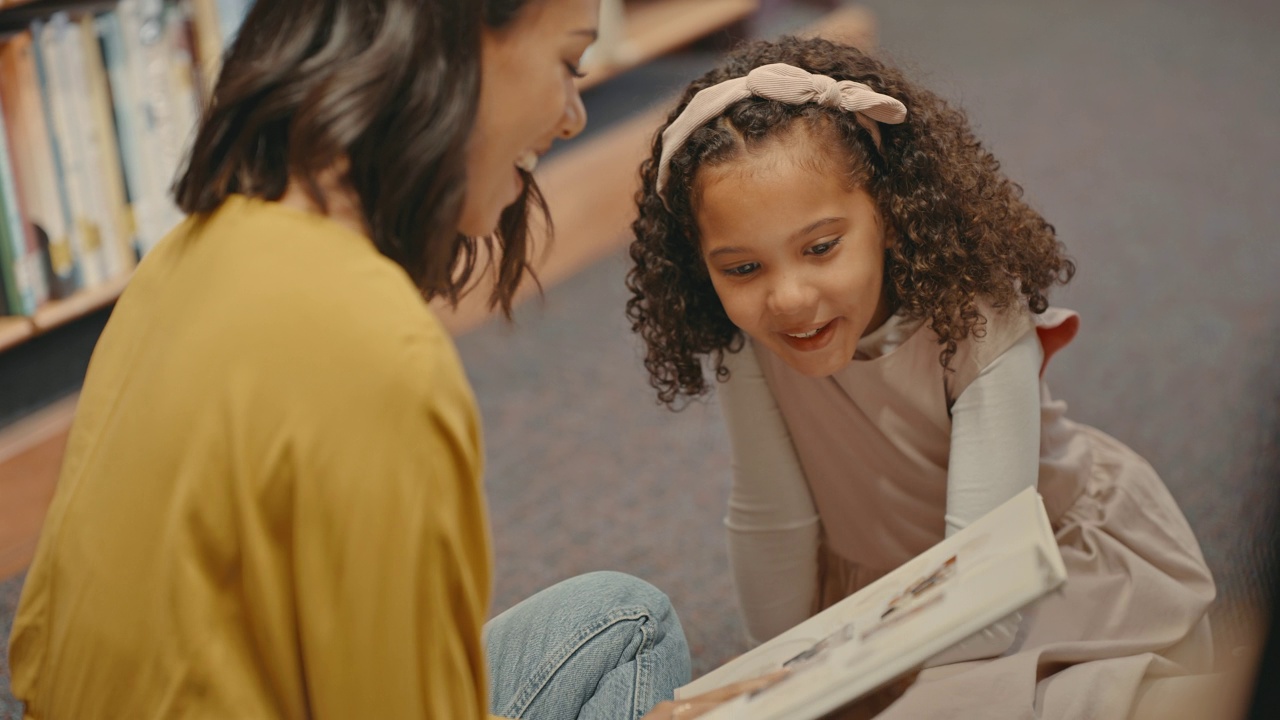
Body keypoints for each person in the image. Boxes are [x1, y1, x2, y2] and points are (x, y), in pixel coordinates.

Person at [8, 1, 690, 718]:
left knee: (620, 621)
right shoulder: (375, 350)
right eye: (567, 63)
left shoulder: (182, 258)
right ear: (457, 48)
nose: (574, 115)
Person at [625, 35, 1215, 718]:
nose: (786, 298)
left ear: (891, 219)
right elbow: (771, 518)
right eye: (742, 269)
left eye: (820, 248)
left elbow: (985, 585)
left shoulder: (974, 315)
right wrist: (779, 682)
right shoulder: (752, 338)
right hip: (885, 600)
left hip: (1029, 578)